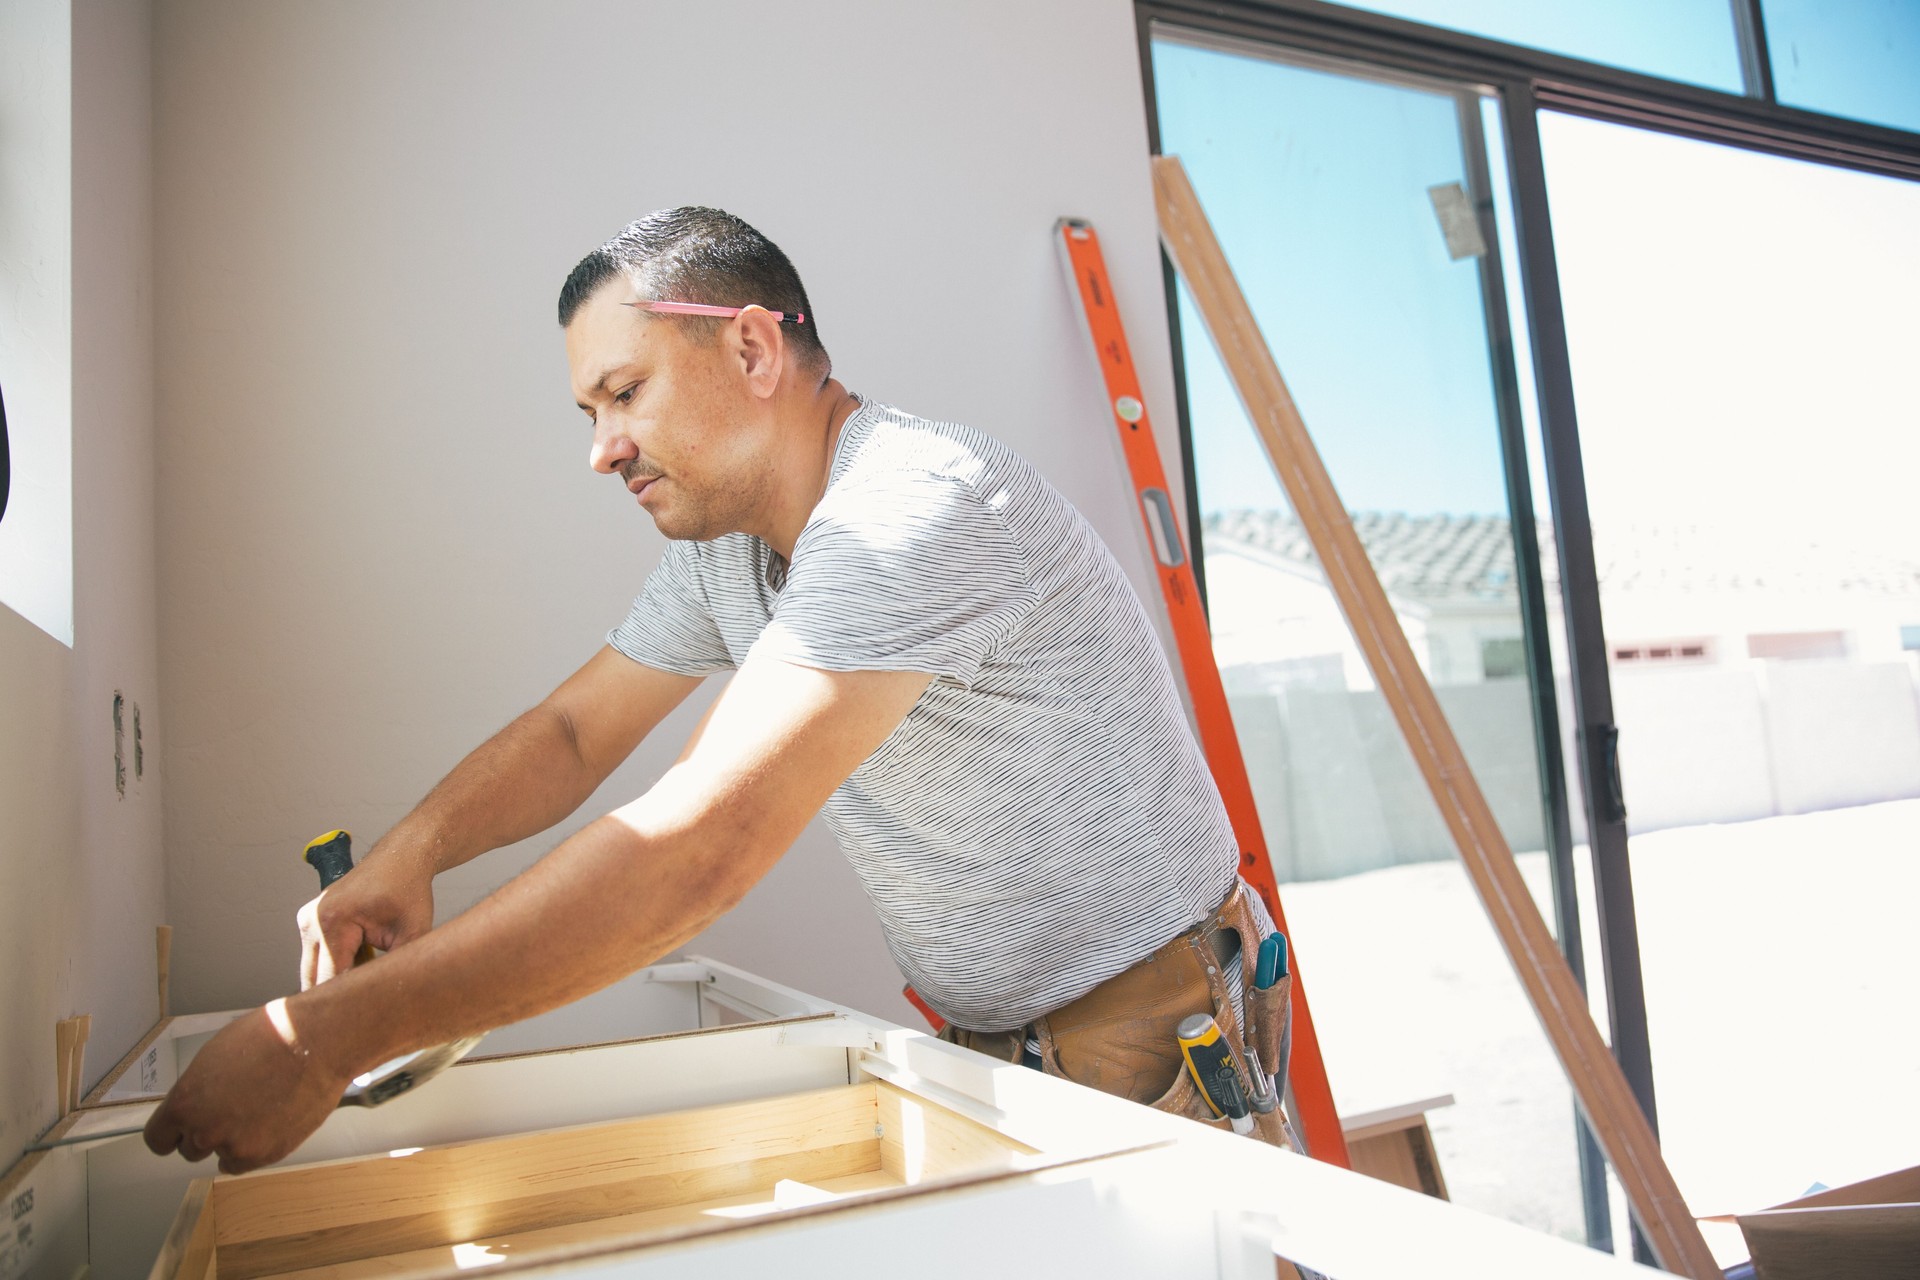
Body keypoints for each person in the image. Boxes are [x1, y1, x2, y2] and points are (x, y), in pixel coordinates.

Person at [143, 207, 1290, 1175]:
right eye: (590, 412)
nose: (602, 448)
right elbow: (574, 728)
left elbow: (701, 845)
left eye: (624, 392)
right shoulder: (729, 547)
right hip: (996, 1031)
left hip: (1152, 1018)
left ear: (751, 351)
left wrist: (321, 1040)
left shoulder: (906, 511)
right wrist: (416, 850)